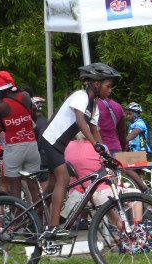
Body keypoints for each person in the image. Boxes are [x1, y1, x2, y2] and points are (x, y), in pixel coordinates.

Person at [41, 62, 119, 239]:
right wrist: (95, 145)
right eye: (108, 86)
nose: (110, 90)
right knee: (64, 178)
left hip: (59, 146)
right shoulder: (81, 96)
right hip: (50, 141)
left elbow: (94, 129)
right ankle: (54, 227)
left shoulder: (94, 105)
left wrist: (104, 153)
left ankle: (36, 213)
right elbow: (80, 121)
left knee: (54, 185)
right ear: (96, 84)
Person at [0, 71, 40, 200]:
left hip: (14, 148)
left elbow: (3, 127)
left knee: (15, 187)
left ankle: (17, 219)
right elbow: (32, 114)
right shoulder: (25, 96)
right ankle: (40, 218)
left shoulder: (0, 106)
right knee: (33, 185)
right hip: (32, 145)